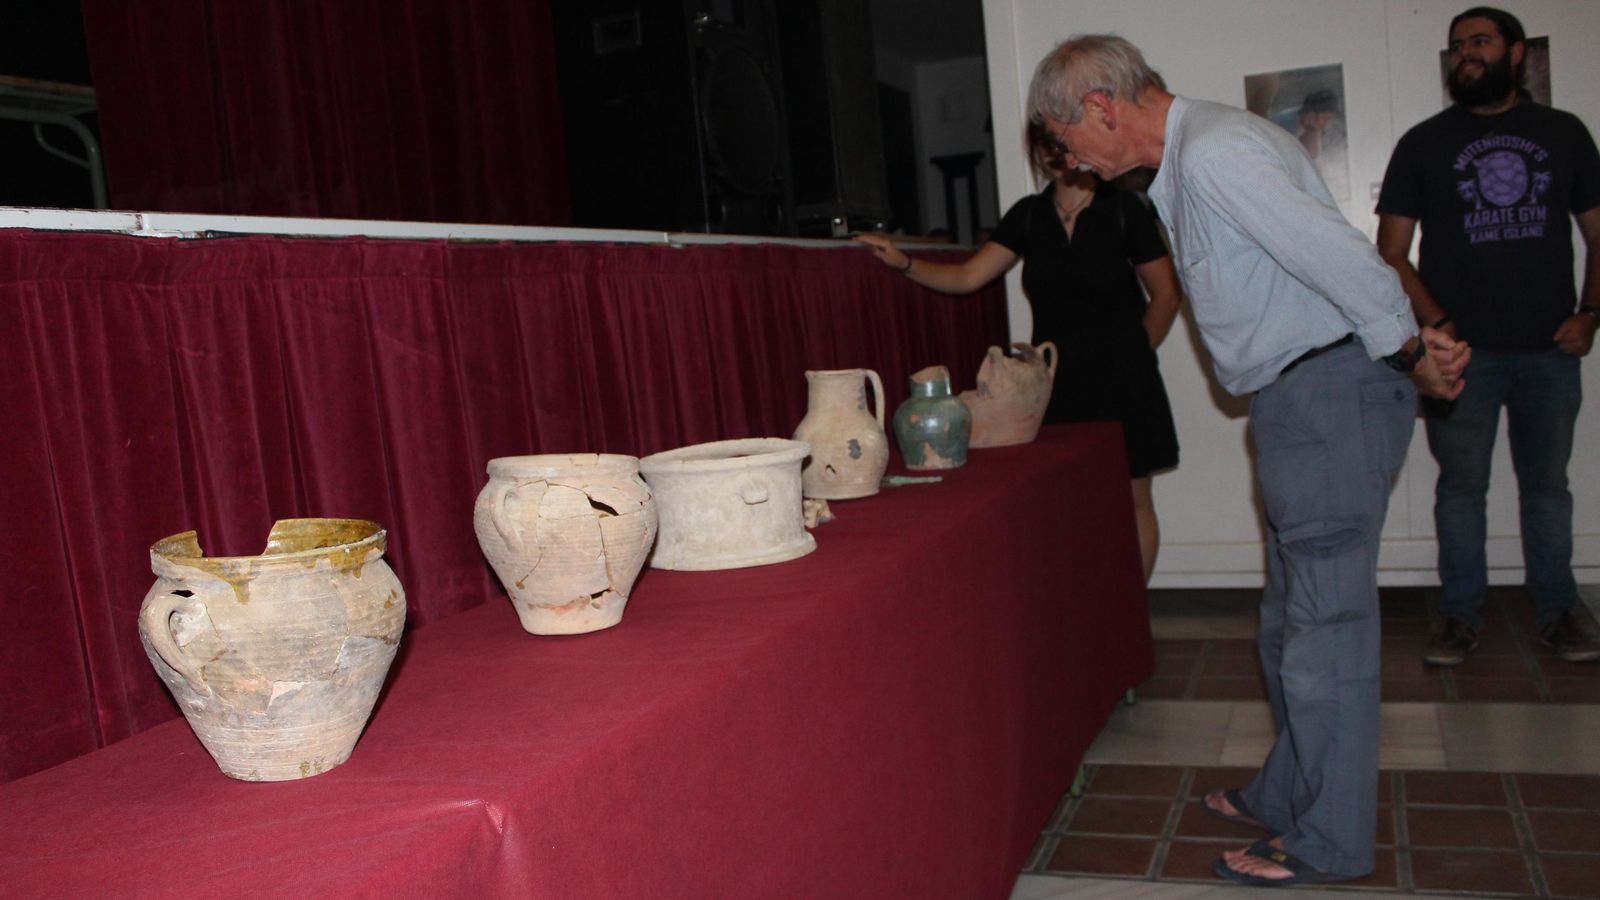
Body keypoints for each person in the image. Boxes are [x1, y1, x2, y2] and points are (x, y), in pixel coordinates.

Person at [1027, 34, 1469, 886]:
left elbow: (1348, 258)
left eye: (1064, 137)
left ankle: (1328, 840)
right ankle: (1288, 787)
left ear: (1099, 107)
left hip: (1327, 394)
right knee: (1288, 622)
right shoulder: (1195, 160)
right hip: (1305, 398)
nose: (1068, 158)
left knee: (1325, 637)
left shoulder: (1220, 153)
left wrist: (1414, 353)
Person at [856, 120, 1184, 584]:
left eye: (1062, 143)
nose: (1056, 154)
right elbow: (968, 277)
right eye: (1045, 146)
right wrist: (904, 262)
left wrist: (1135, 354)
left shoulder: (1124, 209)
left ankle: (1133, 612)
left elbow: (1167, 295)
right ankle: (1091, 608)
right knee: (1069, 502)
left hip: (1127, 384)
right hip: (1052, 389)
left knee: (1133, 500)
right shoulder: (1029, 215)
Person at [1377, 6, 1600, 666]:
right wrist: (1437, 326)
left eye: (1479, 41)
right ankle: (1458, 617)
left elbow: (1598, 233)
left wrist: (1591, 314)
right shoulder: (1422, 142)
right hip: (1460, 357)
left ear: (1515, 51)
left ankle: (1560, 610)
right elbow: (1389, 251)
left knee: (1548, 489)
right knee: (1461, 490)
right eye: (1456, 46)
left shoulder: (1563, 133)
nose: (1465, 54)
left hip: (1549, 353)